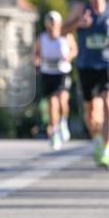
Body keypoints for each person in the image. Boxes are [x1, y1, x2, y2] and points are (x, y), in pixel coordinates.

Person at [63, 0, 109, 168]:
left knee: (107, 105)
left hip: (106, 66)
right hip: (86, 66)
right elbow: (60, 31)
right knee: (91, 113)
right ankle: (97, 139)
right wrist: (78, 24)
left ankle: (105, 150)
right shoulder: (81, 10)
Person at [34, 10, 76, 150]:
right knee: (52, 104)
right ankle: (55, 133)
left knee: (63, 102)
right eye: (49, 21)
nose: (51, 25)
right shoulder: (42, 38)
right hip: (48, 73)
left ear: (59, 24)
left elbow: (74, 50)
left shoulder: (66, 36)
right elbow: (36, 53)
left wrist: (68, 57)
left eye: (54, 22)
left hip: (62, 72)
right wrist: (37, 62)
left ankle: (63, 121)